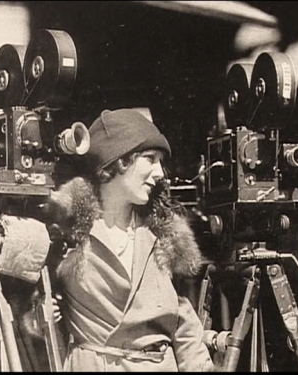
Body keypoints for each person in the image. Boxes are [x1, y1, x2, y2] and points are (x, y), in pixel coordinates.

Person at [36, 108, 215, 371]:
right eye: (150, 159)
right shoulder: (67, 232)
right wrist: (39, 314)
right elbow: (31, 306)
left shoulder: (164, 238)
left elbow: (183, 321)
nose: (160, 173)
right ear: (119, 161)